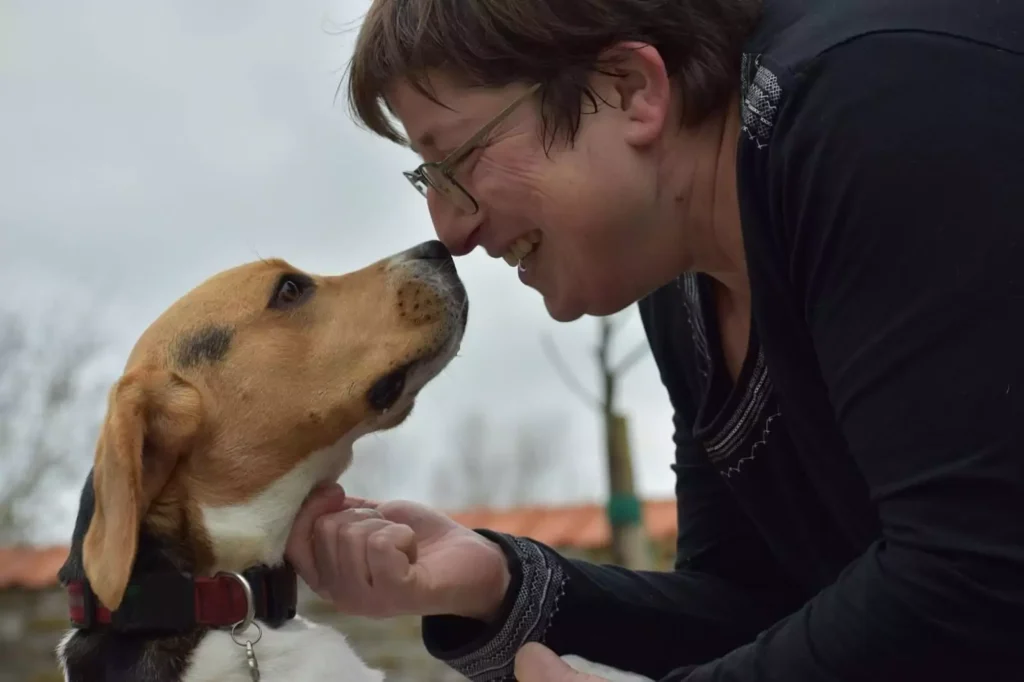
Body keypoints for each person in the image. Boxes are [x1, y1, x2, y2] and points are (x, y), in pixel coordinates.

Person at [284, 0, 1024, 679]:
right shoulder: (685, 288)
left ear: (631, 88)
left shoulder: (882, 104)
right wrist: (501, 583)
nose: (451, 230)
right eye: (429, 180)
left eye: (459, 162)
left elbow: (978, 575)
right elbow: (757, 608)